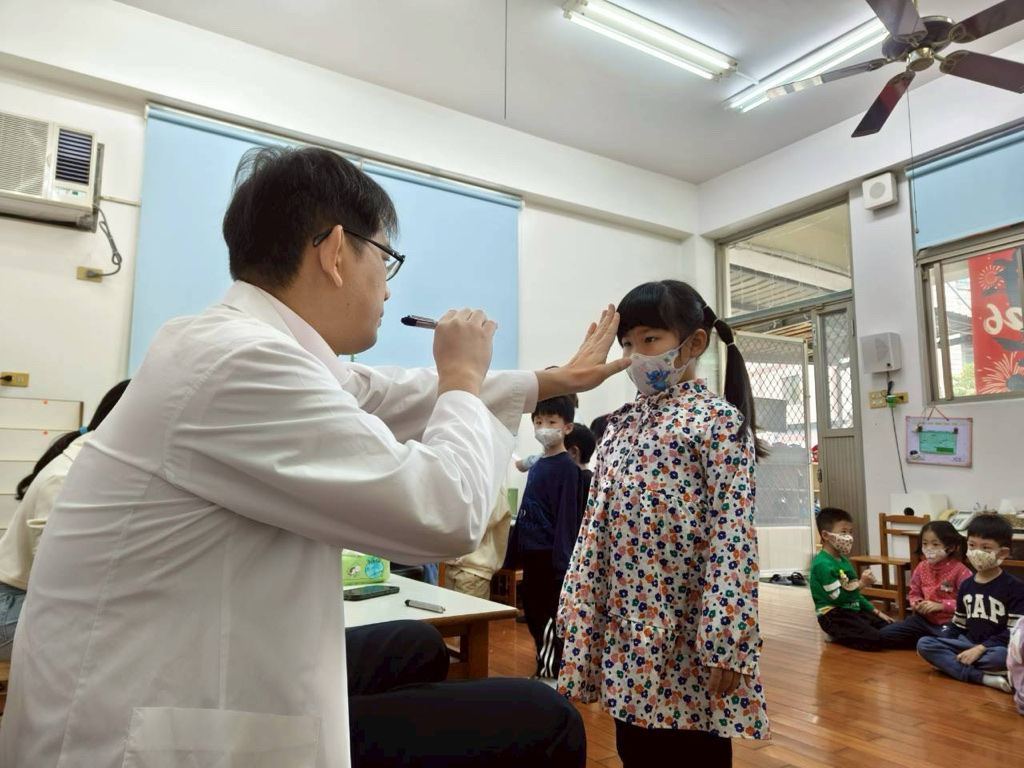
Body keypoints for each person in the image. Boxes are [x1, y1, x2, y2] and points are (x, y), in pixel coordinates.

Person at [0, 146, 632, 768]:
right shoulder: (239, 361)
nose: (388, 287)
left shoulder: (238, 345)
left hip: (183, 654)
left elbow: (387, 393)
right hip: (129, 723)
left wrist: (550, 381)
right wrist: (463, 377)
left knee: (414, 643)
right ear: (334, 251)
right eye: (385, 259)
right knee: (543, 717)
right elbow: (445, 513)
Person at [558, 280, 770, 768]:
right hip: (627, 625)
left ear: (693, 343)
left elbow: (733, 533)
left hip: (687, 629)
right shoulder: (617, 425)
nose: (635, 356)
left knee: (689, 748)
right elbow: (594, 525)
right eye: (627, 344)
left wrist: (726, 634)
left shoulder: (718, 423)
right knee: (634, 746)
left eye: (649, 339)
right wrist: (577, 605)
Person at [0, 380, 130, 660]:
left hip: (29, 600)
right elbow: (55, 574)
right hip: (11, 605)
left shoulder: (93, 463)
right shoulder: (66, 476)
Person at [515, 395, 582, 680]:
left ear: (567, 427)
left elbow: (567, 516)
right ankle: (547, 666)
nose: (544, 427)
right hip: (531, 553)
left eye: (551, 422)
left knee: (546, 615)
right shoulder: (539, 463)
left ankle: (550, 673)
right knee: (532, 612)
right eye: (538, 422)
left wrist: (562, 563)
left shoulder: (567, 468)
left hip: (550, 557)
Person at [917, 514, 1024, 693]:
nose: (976, 552)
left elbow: (1014, 632)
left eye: (985, 547)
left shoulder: (1015, 587)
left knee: (1001, 657)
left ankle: (953, 666)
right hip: (967, 643)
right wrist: (945, 642)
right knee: (924, 644)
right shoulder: (966, 585)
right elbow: (959, 624)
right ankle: (983, 677)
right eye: (972, 545)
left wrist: (981, 649)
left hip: (996, 649)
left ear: (1003, 553)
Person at [810, 507, 894, 651]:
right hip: (833, 616)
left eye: (850, 532)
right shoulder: (822, 564)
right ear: (825, 535)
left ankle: (848, 634)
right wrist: (862, 584)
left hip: (851, 610)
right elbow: (838, 598)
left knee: (888, 627)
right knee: (877, 639)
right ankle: (837, 635)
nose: (848, 537)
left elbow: (854, 595)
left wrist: (876, 612)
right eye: (843, 532)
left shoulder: (843, 561)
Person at [879, 521, 972, 649]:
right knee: (884, 634)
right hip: (923, 620)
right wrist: (917, 604)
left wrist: (941, 606)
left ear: (950, 547)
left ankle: (929, 643)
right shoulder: (921, 567)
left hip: (950, 622)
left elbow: (968, 604)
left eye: (935, 544)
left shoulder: (961, 571)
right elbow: (914, 593)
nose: (928, 548)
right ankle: (927, 642)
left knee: (949, 639)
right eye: (925, 543)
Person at [444, 487, 512, 599]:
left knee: (466, 610)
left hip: (473, 571)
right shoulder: (467, 484)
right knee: (447, 609)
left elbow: (475, 526)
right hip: (451, 565)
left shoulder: (494, 490)